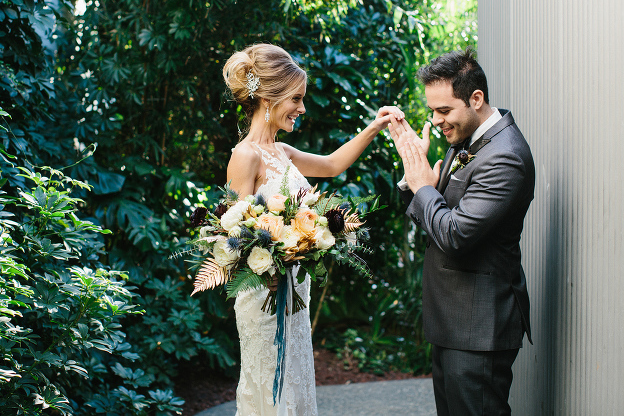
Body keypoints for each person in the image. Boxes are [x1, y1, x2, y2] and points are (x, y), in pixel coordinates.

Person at [222, 44, 401, 415]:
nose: (302, 108)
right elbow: (234, 237)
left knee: (296, 384)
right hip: (265, 298)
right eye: (296, 98)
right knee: (274, 391)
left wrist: (375, 126)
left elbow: (334, 165)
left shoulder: (282, 152)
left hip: (294, 294)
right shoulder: (245, 156)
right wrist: (267, 267)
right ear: (269, 97)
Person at [388, 49, 533, 416]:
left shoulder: (505, 155)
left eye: (444, 110)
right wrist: (414, 177)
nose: (437, 120)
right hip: (454, 323)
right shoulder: (465, 141)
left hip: (478, 329)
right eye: (433, 111)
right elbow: (435, 222)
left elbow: (454, 236)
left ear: (476, 98)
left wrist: (424, 188)